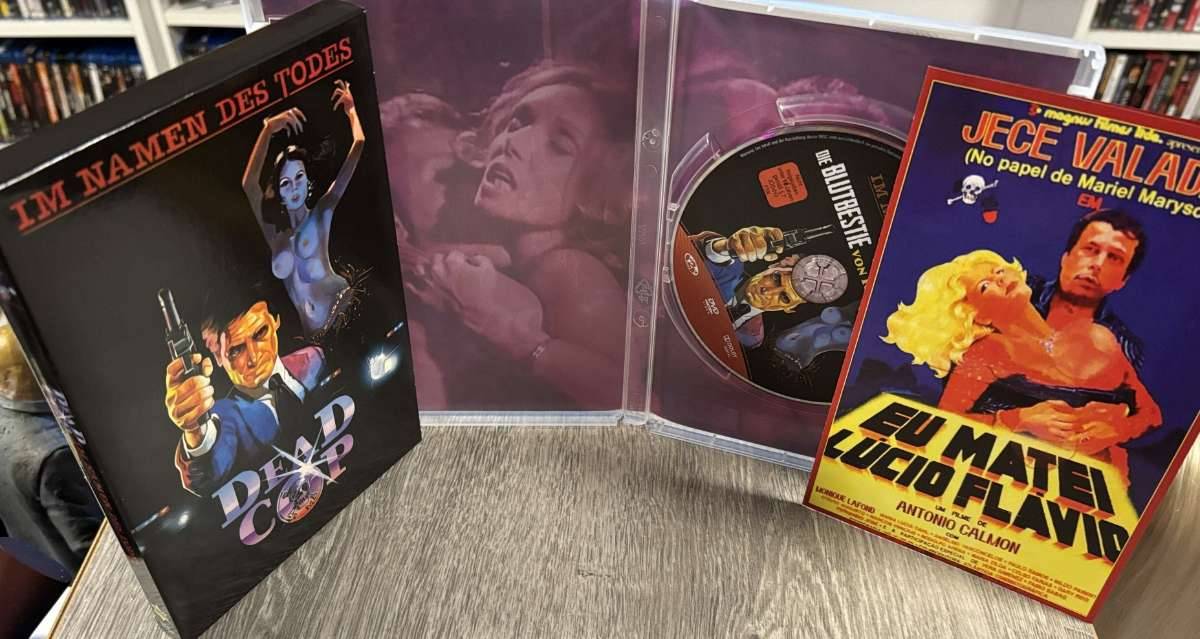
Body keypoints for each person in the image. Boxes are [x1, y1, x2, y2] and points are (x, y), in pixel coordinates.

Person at [403, 62, 632, 409]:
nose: (514, 143)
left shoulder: (568, 270)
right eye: (518, 123)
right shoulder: (526, 260)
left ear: (597, 189)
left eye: (559, 145)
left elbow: (634, 403)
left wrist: (518, 339)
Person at [883, 249, 1161, 480]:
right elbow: (945, 425)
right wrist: (1019, 419)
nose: (1000, 279)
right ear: (976, 315)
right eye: (985, 286)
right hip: (1031, 484)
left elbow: (1150, 413)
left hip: (1107, 484)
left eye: (998, 271)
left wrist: (1118, 430)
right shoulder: (987, 352)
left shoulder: (1096, 335)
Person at [165, 295, 324, 496]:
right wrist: (195, 429)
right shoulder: (226, 415)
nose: (254, 357)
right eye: (236, 350)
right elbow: (207, 474)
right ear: (217, 356)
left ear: (275, 320)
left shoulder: (314, 359)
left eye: (260, 333)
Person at [241, 79, 364, 339]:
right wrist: (268, 129)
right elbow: (249, 184)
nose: (294, 187)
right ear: (279, 193)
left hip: (341, 320)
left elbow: (359, 144)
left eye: (299, 177)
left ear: (307, 181)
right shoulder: (275, 234)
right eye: (285, 183)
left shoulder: (321, 213)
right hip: (313, 336)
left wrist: (352, 111)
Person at [689, 225, 805, 348]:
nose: (767, 292)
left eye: (785, 297)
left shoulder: (753, 339)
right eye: (776, 279)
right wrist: (725, 247)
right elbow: (694, 250)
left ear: (790, 308)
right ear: (774, 265)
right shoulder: (729, 269)